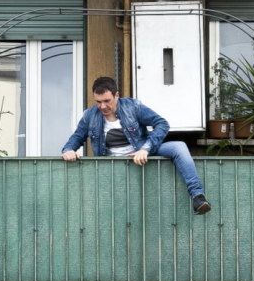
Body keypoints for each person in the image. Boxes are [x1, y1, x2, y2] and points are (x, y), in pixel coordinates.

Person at [61, 77, 211, 215]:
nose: (102, 106)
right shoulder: (90, 115)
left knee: (179, 146)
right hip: (111, 162)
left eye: (107, 101)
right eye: (98, 101)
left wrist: (145, 148)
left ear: (116, 95)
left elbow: (162, 124)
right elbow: (76, 138)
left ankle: (198, 196)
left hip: (141, 152)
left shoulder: (133, 107)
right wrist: (68, 150)